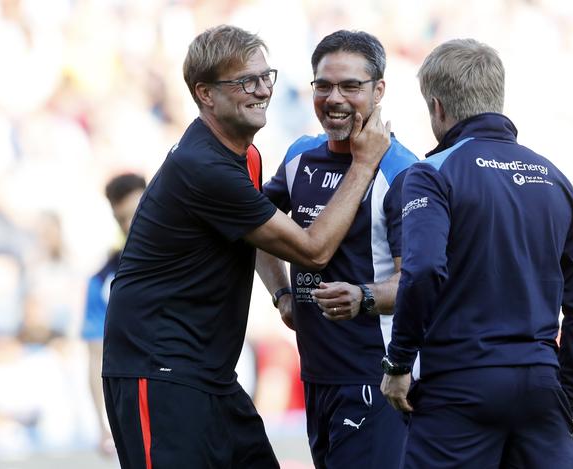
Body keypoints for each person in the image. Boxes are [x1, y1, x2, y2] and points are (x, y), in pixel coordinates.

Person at [102, 25, 391, 469]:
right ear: (205, 94)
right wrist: (365, 162)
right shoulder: (205, 167)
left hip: (210, 375)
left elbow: (259, 231)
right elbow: (313, 250)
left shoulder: (244, 155)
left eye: (265, 77)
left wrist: (281, 293)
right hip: (157, 372)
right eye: (245, 82)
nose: (261, 91)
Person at [380, 38, 573, 468]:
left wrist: (399, 361)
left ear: (438, 108)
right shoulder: (553, 178)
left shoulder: (431, 173)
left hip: (459, 387)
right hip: (540, 387)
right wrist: (566, 395)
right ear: (496, 97)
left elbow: (422, 270)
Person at [257, 30, 418, 469]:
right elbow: (252, 228)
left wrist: (363, 297)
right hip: (315, 374)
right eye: (323, 85)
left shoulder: (404, 171)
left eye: (351, 86)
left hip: (376, 378)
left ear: (379, 90)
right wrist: (281, 294)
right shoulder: (299, 157)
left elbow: (419, 283)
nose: (335, 98)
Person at [82, 173, 146, 455]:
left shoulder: (188, 257)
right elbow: (96, 353)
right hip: (135, 402)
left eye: (137, 213)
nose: (130, 224)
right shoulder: (103, 279)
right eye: (122, 218)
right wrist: (102, 426)